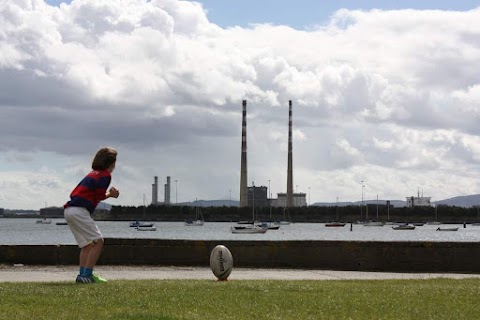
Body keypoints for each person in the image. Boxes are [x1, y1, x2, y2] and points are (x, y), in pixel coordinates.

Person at [64, 147, 120, 284]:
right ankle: (87, 275)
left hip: (69, 210)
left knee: (87, 245)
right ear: (111, 163)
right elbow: (99, 196)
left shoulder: (92, 174)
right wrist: (111, 195)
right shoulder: (105, 175)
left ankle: (83, 274)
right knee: (99, 241)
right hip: (79, 210)